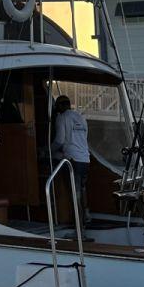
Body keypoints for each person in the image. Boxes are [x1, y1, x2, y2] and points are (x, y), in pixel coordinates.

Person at [51, 94, 90, 226]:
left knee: (75, 193)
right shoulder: (81, 118)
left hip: (73, 161)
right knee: (82, 190)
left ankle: (78, 226)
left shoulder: (62, 117)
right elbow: (83, 139)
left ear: (60, 106)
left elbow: (60, 140)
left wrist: (48, 150)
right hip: (85, 160)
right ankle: (86, 217)